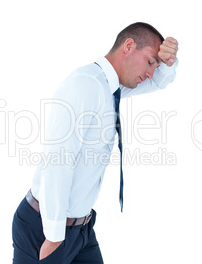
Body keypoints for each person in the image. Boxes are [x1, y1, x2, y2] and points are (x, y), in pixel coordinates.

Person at [12, 22, 179, 263]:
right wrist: (54, 237)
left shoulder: (110, 86)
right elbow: (58, 161)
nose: (151, 72)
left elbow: (158, 82)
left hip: (82, 229)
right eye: (151, 62)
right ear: (128, 46)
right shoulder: (85, 85)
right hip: (45, 228)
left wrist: (168, 62)